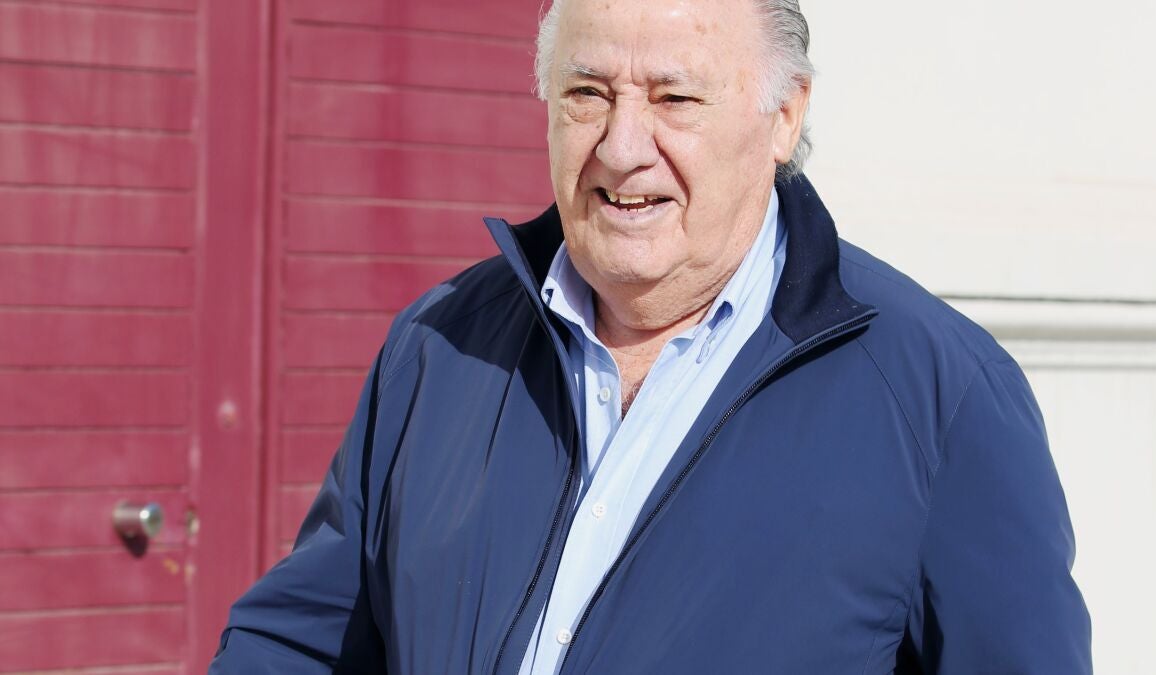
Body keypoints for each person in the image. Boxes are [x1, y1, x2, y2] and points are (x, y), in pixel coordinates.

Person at [210, 0, 1092, 672]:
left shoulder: (940, 398)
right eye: (587, 94)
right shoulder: (440, 347)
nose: (623, 146)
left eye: (675, 97)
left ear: (784, 117)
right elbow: (301, 646)